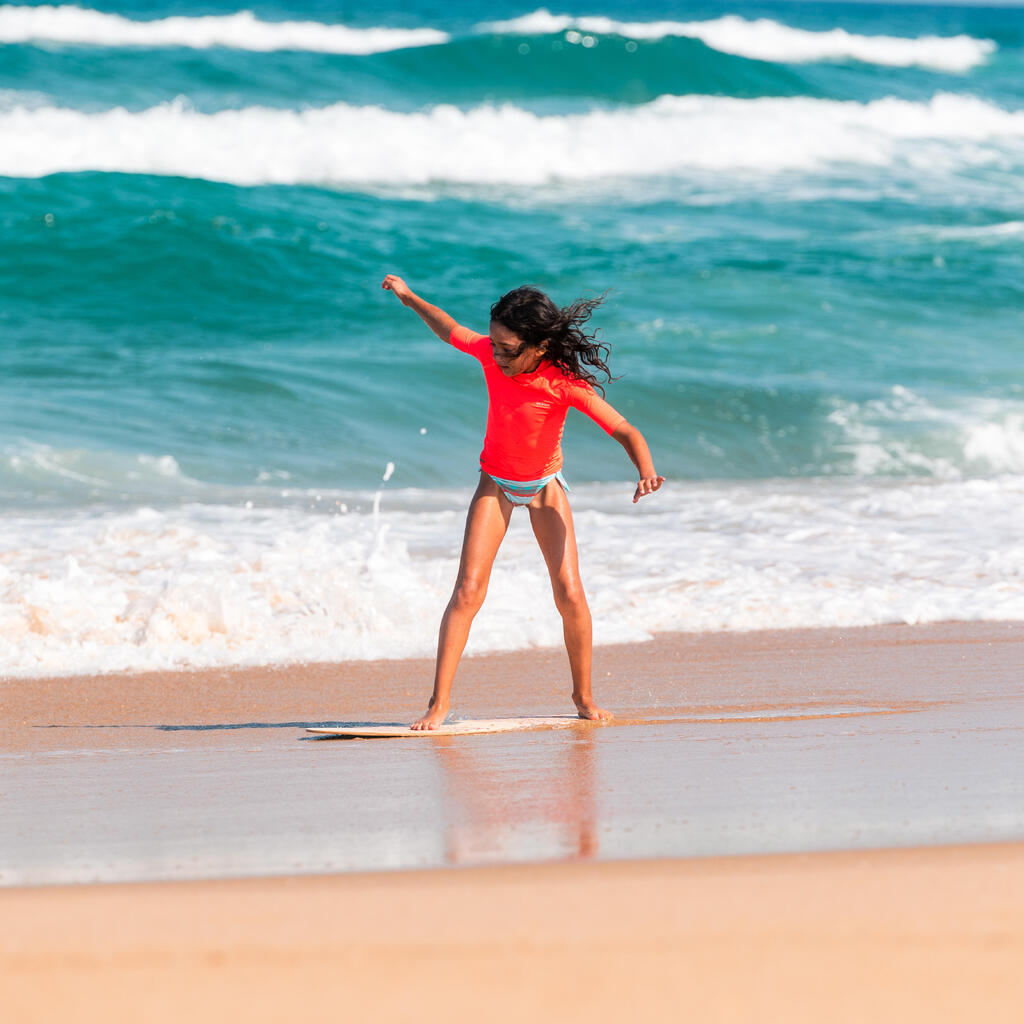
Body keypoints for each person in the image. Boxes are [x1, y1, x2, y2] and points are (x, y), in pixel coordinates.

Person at [381, 275, 664, 730]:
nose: (495, 355)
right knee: (468, 590)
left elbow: (626, 430)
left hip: (545, 486)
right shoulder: (491, 357)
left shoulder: (563, 384)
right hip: (494, 483)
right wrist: (410, 298)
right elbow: (448, 328)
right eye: (493, 344)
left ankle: (584, 696)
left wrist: (645, 469)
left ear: (539, 345)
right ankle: (438, 704)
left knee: (569, 591)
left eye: (507, 348)